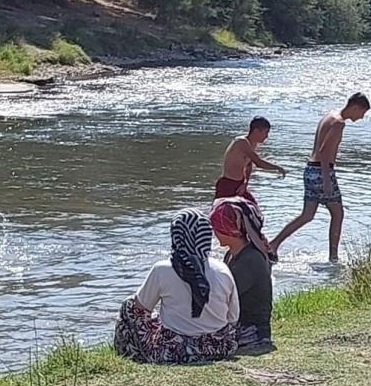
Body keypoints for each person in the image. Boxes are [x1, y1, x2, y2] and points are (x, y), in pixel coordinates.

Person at [114, 209, 239, 364]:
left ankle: (129, 355)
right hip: (220, 348)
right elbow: (233, 318)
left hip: (175, 353)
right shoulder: (222, 269)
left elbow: (140, 307)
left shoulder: (162, 269)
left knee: (129, 306)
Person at [268, 92, 371, 262]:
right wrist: (327, 180)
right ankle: (333, 258)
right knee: (338, 213)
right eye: (362, 113)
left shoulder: (330, 116)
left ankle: (274, 244)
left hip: (310, 169)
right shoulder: (338, 124)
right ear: (355, 107)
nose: (361, 117)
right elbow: (323, 152)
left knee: (307, 215)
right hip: (322, 172)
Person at [209, 197, 274, 354]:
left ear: (229, 229)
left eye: (216, 228)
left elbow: (224, 298)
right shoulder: (233, 254)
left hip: (251, 333)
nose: (214, 233)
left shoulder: (251, 259)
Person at [215, 117, 286, 203]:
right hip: (227, 184)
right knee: (223, 214)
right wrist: (278, 168)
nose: (267, 136)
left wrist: (245, 183)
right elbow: (258, 162)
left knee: (253, 210)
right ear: (256, 131)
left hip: (240, 185)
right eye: (266, 132)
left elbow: (249, 164)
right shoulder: (241, 142)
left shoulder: (253, 144)